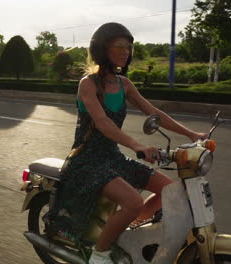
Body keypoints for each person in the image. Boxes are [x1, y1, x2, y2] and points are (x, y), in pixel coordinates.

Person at [46, 22, 207, 264]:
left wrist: (191, 134)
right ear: (102, 49)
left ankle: (121, 230)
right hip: (87, 161)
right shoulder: (88, 84)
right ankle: (99, 255)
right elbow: (101, 122)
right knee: (132, 201)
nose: (126, 51)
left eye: (129, 46)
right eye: (119, 46)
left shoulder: (124, 84)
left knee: (170, 190)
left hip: (111, 157)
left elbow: (154, 114)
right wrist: (137, 146)